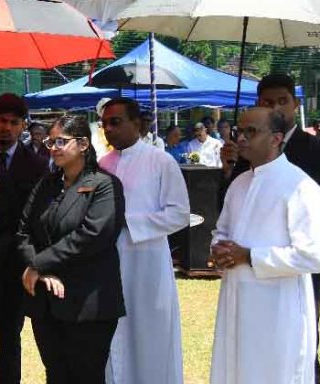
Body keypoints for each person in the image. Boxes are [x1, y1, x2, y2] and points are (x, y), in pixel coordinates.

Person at [219, 74, 320, 383]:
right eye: (242, 131)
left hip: (284, 292)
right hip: (239, 290)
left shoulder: (308, 174)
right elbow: (230, 218)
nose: (244, 138)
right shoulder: (242, 175)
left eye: (282, 101)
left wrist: (251, 256)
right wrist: (220, 247)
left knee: (287, 363)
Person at [17, 116, 126, 384]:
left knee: (85, 376)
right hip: (46, 301)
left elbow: (90, 236)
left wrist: (38, 264)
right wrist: (40, 271)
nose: (53, 147)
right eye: (50, 141)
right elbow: (22, 232)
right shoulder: (47, 183)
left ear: (83, 144)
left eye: (61, 142)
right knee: (55, 374)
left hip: (87, 303)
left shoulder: (105, 185)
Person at [98, 98, 190, 384]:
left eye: (116, 122)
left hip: (148, 262)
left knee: (150, 333)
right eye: (105, 124)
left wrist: (132, 222)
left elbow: (179, 214)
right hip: (110, 262)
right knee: (115, 335)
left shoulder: (160, 160)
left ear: (136, 124)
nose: (109, 129)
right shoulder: (102, 164)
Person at [0, 93, 48, 383]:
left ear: (23, 126)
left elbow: (34, 219)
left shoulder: (38, 165)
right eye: (2, 121)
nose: (7, 128)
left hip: (15, 265)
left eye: (14, 123)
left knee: (10, 337)